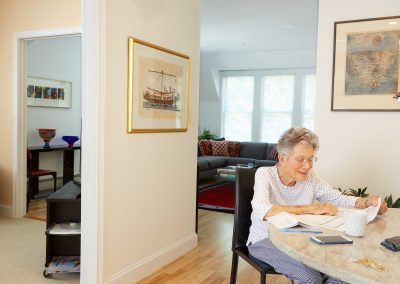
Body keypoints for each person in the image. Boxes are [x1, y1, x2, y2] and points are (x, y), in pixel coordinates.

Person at [247, 127, 387, 284]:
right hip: (265, 240)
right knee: (310, 278)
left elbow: (337, 198)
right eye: (301, 159)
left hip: (301, 240)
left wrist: (368, 202)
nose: (307, 166)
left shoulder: (310, 178)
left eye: (311, 159)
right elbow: (262, 210)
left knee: (339, 274)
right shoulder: (264, 174)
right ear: (282, 158)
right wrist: (311, 208)